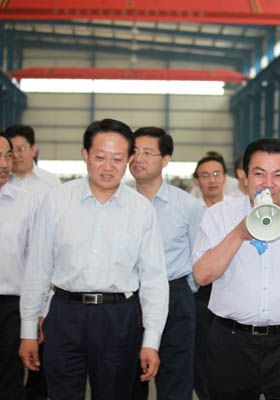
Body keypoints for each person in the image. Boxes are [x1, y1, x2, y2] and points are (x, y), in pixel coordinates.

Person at [19, 118, 169, 400]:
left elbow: (154, 280)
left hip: (119, 318)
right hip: (64, 315)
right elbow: (38, 268)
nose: (108, 167)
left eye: (117, 159)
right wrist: (27, 331)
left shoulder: (140, 210)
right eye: (100, 157)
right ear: (85, 155)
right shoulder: (57, 201)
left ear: (129, 159)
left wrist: (151, 341)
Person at [192, 138, 280, 399]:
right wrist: (238, 233)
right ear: (244, 177)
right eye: (259, 174)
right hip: (231, 342)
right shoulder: (218, 216)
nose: (268, 183)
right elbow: (202, 276)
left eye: (278, 175)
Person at [129, 127, 204, 399]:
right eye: (134, 151)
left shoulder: (188, 206)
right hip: (128, 299)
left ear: (166, 159)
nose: (138, 158)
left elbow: (199, 256)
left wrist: (184, 290)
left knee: (176, 380)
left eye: (147, 153)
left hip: (176, 297)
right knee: (128, 379)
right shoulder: (119, 202)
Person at [0, 133, 38, 399]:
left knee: (9, 379)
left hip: (11, 307)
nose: (4, 163)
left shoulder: (27, 202)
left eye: (7, 156)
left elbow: (36, 262)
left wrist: (37, 313)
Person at [191, 152, 229, 400]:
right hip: (200, 295)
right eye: (205, 175)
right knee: (201, 356)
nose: (212, 180)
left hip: (232, 292)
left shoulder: (238, 211)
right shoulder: (191, 212)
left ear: (225, 178)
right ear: (197, 181)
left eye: (216, 174)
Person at [5, 124, 61, 201]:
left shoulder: (51, 181)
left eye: (20, 149)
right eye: (11, 150)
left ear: (34, 150)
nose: (15, 155)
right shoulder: (2, 180)